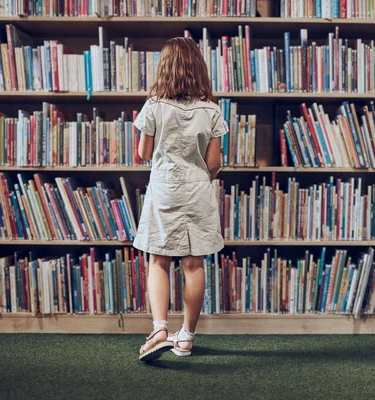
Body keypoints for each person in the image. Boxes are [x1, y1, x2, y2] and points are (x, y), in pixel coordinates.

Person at [133, 37, 228, 362]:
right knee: (193, 263)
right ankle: (185, 337)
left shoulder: (154, 105)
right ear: (197, 69)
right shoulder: (212, 110)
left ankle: (160, 329)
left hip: (164, 186)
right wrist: (201, 178)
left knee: (158, 260)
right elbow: (214, 163)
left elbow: (144, 153)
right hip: (198, 189)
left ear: (165, 69)